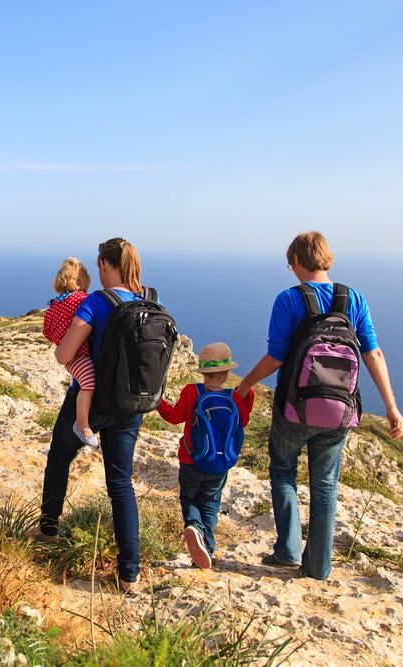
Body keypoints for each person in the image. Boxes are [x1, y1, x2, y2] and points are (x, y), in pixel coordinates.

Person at [235, 231, 403, 580]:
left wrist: (245, 384)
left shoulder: (289, 299)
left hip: (295, 408)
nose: (291, 269)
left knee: (283, 471)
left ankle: (287, 551)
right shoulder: (353, 298)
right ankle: (319, 567)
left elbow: (276, 357)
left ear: (297, 260)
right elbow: (372, 352)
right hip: (340, 411)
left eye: (290, 263)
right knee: (325, 484)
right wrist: (391, 406)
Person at [35, 238, 149, 593]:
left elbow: (63, 353)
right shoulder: (148, 299)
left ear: (104, 266)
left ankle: (48, 529)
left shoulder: (97, 302)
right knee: (120, 483)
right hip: (130, 404)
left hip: (93, 399)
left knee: (59, 457)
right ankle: (130, 575)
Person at [157, 342, 254, 569]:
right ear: (227, 373)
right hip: (220, 464)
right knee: (210, 503)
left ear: (202, 372)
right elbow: (244, 422)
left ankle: (193, 525)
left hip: (191, 460)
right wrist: (247, 396)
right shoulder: (234, 397)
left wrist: (158, 402)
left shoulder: (192, 392)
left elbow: (174, 417)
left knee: (189, 498)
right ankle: (207, 549)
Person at [42, 258, 99, 449]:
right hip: (80, 354)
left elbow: (47, 332)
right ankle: (82, 424)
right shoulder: (83, 300)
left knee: (84, 382)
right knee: (89, 384)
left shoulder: (53, 306)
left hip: (70, 358)